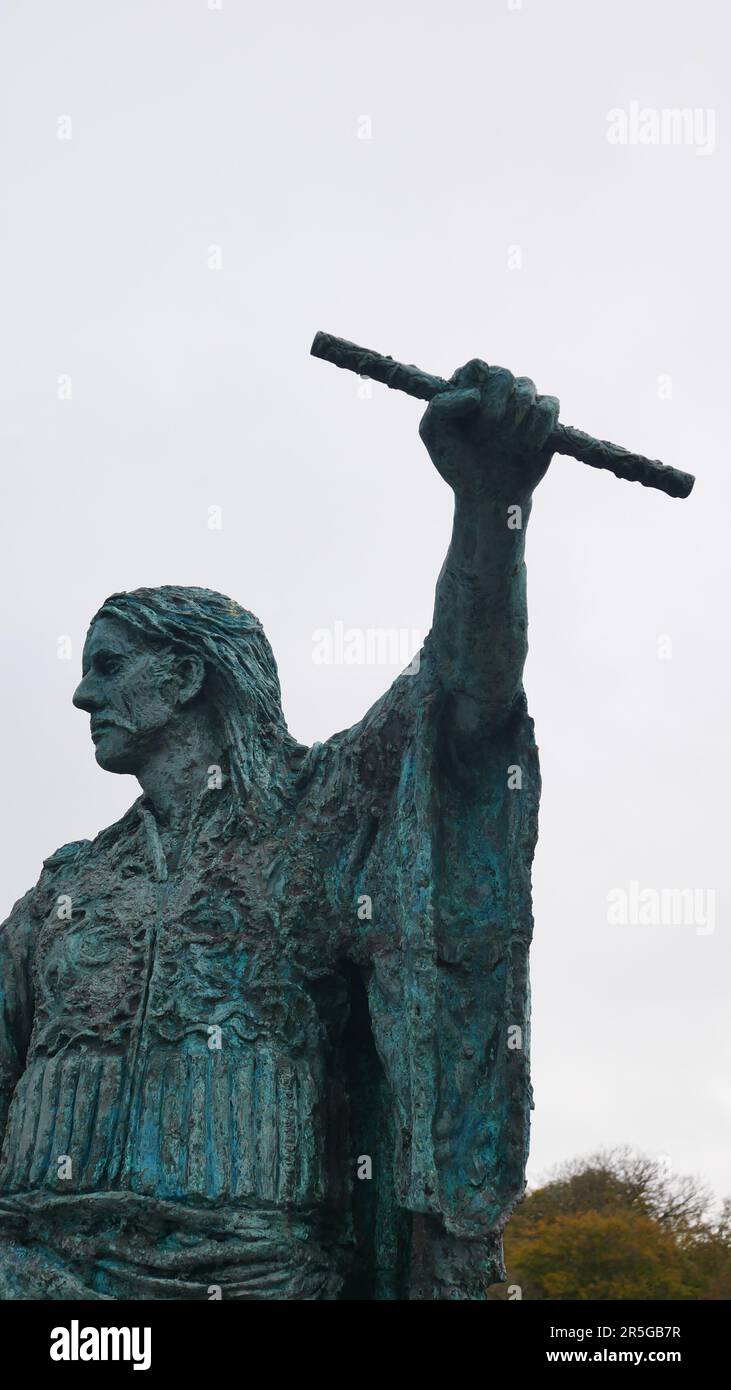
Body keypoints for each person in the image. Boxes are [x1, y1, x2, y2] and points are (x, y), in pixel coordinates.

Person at [0, 361, 558, 1299]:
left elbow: (464, 703)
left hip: (257, 1278)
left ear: (185, 680)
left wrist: (489, 508)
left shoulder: (316, 816)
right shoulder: (67, 891)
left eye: (108, 665)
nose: (82, 693)